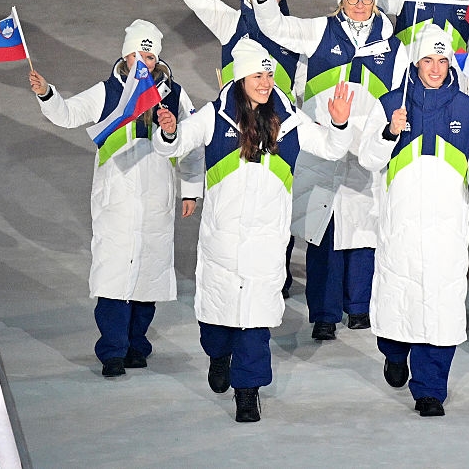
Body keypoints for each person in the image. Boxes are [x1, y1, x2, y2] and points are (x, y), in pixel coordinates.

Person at [152, 38, 354, 422]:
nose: (265, 82)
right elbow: (176, 146)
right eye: (257, 74)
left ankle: (248, 392)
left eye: (269, 74)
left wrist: (340, 122)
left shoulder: (289, 120)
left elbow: (331, 148)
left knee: (255, 324)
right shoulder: (214, 116)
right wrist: (168, 132)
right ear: (241, 76)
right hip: (222, 243)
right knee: (216, 322)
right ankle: (217, 354)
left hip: (266, 244)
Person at [28, 19, 203, 378]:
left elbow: (192, 142)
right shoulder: (108, 91)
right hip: (117, 199)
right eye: (138, 55)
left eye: (150, 57)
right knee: (114, 277)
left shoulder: (173, 94)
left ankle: (137, 346)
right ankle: (112, 351)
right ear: (126, 55)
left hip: (156, 198)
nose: (144, 62)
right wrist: (48, 93)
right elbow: (69, 114)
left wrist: (190, 188)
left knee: (147, 276)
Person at [253, 0, 410, 341]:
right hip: (324, 143)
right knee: (322, 228)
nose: (361, 4)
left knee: (364, 228)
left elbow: (404, 90)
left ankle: (359, 307)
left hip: (368, 147)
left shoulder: (394, 46)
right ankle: (323, 313)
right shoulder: (320, 30)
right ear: (341, 0)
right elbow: (275, 28)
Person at [358, 24, 469, 417]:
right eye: (427, 60)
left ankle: (431, 390)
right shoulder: (390, 104)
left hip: (446, 227)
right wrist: (390, 132)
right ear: (415, 62)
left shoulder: (467, 108)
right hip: (399, 224)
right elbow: (369, 159)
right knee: (397, 297)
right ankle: (394, 352)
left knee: (441, 306)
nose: (435, 68)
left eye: (441, 60)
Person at [149, 0, 302, 298]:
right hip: (235, 128)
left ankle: (275, 272)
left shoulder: (294, 32)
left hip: (278, 129)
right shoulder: (231, 23)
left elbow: (304, 80)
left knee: (276, 199)